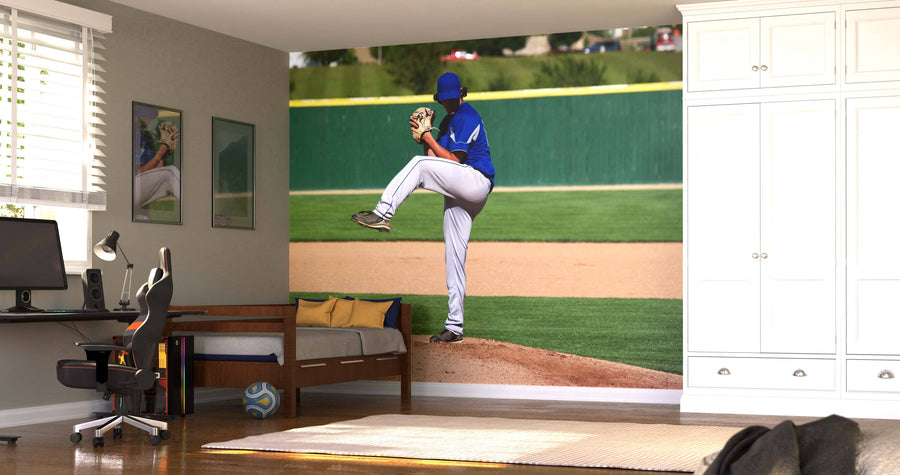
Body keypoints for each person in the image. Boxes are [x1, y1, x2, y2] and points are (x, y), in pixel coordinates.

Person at [352, 72, 495, 343]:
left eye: (452, 98)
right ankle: (455, 327)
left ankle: (383, 213)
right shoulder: (448, 120)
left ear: (461, 94)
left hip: (475, 180)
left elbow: (454, 160)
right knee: (454, 255)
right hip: (460, 188)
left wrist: (428, 137)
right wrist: (424, 139)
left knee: (418, 165)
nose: (448, 102)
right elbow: (436, 159)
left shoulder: (467, 116)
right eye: (445, 99)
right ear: (440, 99)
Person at [134, 120, 181, 215]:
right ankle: (194, 204)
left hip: (130, 202)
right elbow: (138, 173)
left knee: (142, 218)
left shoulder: (144, 139)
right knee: (169, 172)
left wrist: (163, 155)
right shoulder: (134, 138)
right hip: (126, 193)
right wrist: (161, 151)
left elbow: (154, 173)